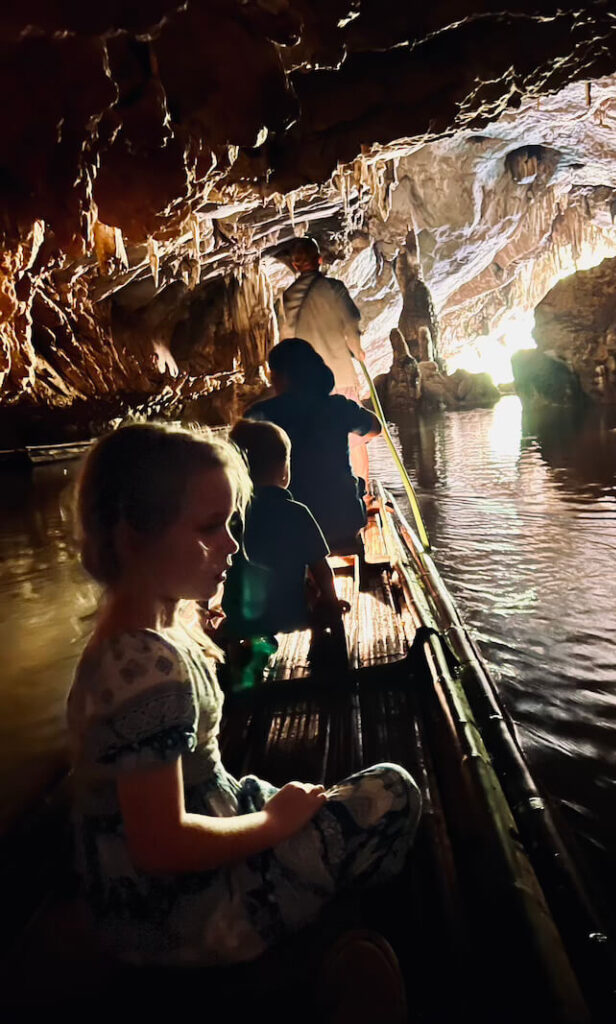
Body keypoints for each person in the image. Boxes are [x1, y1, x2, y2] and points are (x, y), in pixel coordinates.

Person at [66, 422, 421, 968]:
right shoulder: (144, 668)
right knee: (394, 792)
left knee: (318, 797)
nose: (232, 543)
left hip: (164, 869)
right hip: (182, 915)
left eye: (231, 522)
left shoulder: (140, 636)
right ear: (135, 537)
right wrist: (275, 824)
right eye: (211, 527)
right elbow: (160, 846)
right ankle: (307, 957)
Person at [246, 339, 381, 554]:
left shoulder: (259, 414)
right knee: (357, 484)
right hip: (343, 520)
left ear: (280, 376)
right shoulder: (338, 406)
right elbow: (376, 427)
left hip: (289, 527)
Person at [221, 418, 348, 637]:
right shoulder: (296, 512)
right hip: (291, 619)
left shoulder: (229, 517)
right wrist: (330, 600)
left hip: (240, 623)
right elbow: (322, 570)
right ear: (284, 471)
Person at [278, 236, 371, 488]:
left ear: (295, 266)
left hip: (305, 384)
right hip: (339, 374)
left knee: (315, 440)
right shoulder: (334, 288)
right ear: (319, 260)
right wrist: (357, 349)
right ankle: (360, 493)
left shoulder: (287, 298)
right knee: (353, 437)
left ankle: (321, 493)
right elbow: (351, 322)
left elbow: (285, 340)